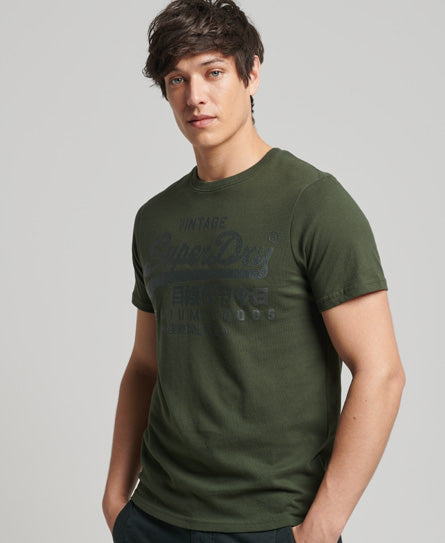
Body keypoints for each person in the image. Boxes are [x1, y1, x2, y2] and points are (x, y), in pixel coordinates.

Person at [102, 1, 406, 542]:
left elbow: (381, 373)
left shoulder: (314, 203)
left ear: (252, 74)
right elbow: (145, 366)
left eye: (214, 72)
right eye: (177, 79)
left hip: (269, 524)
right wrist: (115, 498)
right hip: (154, 518)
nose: (195, 96)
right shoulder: (155, 218)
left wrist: (319, 530)